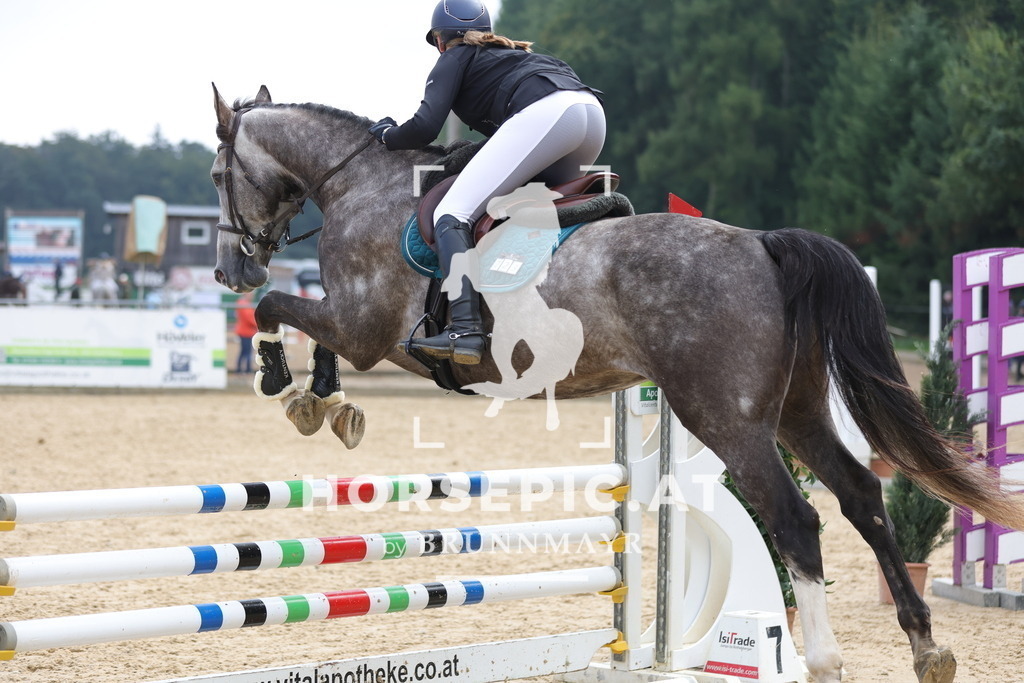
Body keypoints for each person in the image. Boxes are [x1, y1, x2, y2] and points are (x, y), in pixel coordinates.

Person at [369, 0, 606, 365]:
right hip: (590, 115)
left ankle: (465, 329)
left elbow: (424, 127)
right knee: (530, 205)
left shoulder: (454, 56)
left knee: (452, 213)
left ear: (440, 40)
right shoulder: (517, 55)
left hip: (546, 114)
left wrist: (388, 135)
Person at [234, 293, 258, 374]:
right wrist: (257, 324)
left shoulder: (243, 303)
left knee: (244, 351)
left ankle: (240, 369)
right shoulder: (244, 304)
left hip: (245, 331)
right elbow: (249, 318)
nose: (252, 296)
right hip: (246, 331)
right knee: (247, 351)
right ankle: (247, 369)